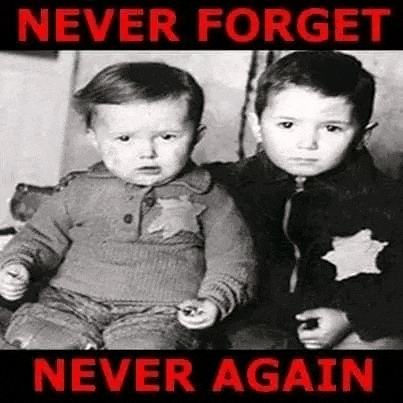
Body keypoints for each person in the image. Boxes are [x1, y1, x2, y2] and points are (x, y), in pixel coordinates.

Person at [0, 62, 256, 349]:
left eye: (167, 137)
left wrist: (213, 300)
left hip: (160, 315)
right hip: (67, 302)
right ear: (94, 138)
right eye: (124, 138)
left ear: (196, 135)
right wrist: (17, 265)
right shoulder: (79, 189)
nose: (147, 152)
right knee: (36, 337)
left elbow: (234, 260)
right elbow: (40, 237)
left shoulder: (210, 196)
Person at [207, 51, 403, 349]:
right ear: (257, 124)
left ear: (362, 135)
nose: (307, 143)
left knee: (379, 342)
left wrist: (352, 317)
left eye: (331, 128)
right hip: (250, 327)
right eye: (287, 125)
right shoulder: (222, 185)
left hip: (339, 325)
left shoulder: (387, 200)